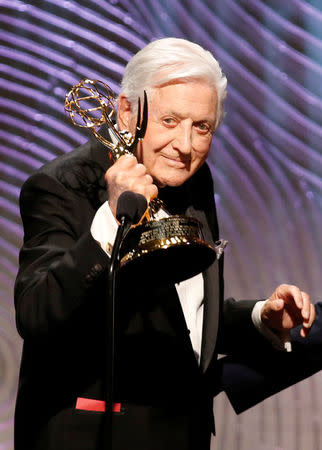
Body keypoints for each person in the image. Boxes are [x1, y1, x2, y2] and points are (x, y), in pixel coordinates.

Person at [14, 38, 316, 450]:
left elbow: (180, 315)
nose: (186, 146)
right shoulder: (62, 185)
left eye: (202, 127)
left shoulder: (194, 181)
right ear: (125, 112)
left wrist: (261, 319)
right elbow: (36, 314)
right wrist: (111, 220)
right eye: (170, 121)